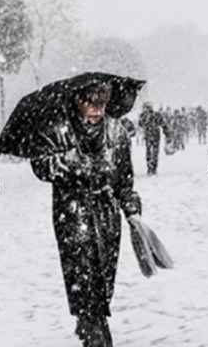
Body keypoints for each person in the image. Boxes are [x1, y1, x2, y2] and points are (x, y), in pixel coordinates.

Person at [29, 82, 142, 347]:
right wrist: (73, 165)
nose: (96, 109)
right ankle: (95, 331)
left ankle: (89, 317)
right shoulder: (59, 130)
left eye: (102, 102)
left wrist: (132, 210)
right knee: (83, 277)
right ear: (77, 100)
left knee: (104, 279)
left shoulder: (117, 131)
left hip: (107, 217)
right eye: (90, 101)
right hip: (73, 215)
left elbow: (125, 179)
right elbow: (41, 165)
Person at [138, 102, 164, 175]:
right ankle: (153, 168)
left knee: (149, 151)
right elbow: (163, 124)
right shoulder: (156, 115)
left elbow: (140, 124)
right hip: (154, 135)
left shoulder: (144, 115)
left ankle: (150, 168)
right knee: (154, 152)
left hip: (150, 135)